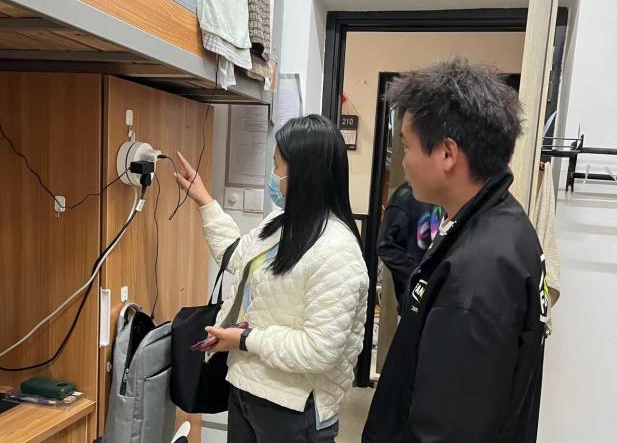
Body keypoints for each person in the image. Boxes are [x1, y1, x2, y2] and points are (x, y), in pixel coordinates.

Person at [363, 58, 549, 443]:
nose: (404, 162)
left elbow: (449, 428)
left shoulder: (481, 268)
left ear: (447, 153)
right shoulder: (493, 223)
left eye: (407, 147)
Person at [175, 114, 369, 443]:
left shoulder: (338, 250)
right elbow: (236, 257)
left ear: (303, 173)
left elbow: (319, 349)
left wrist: (245, 340)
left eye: (277, 166)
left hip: (294, 408)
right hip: (245, 388)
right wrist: (204, 200)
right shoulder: (281, 222)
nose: (272, 175)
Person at [377, 183, 443, 312]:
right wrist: (418, 277)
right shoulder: (405, 196)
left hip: (441, 295)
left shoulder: (447, 193)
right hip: (415, 299)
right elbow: (386, 245)